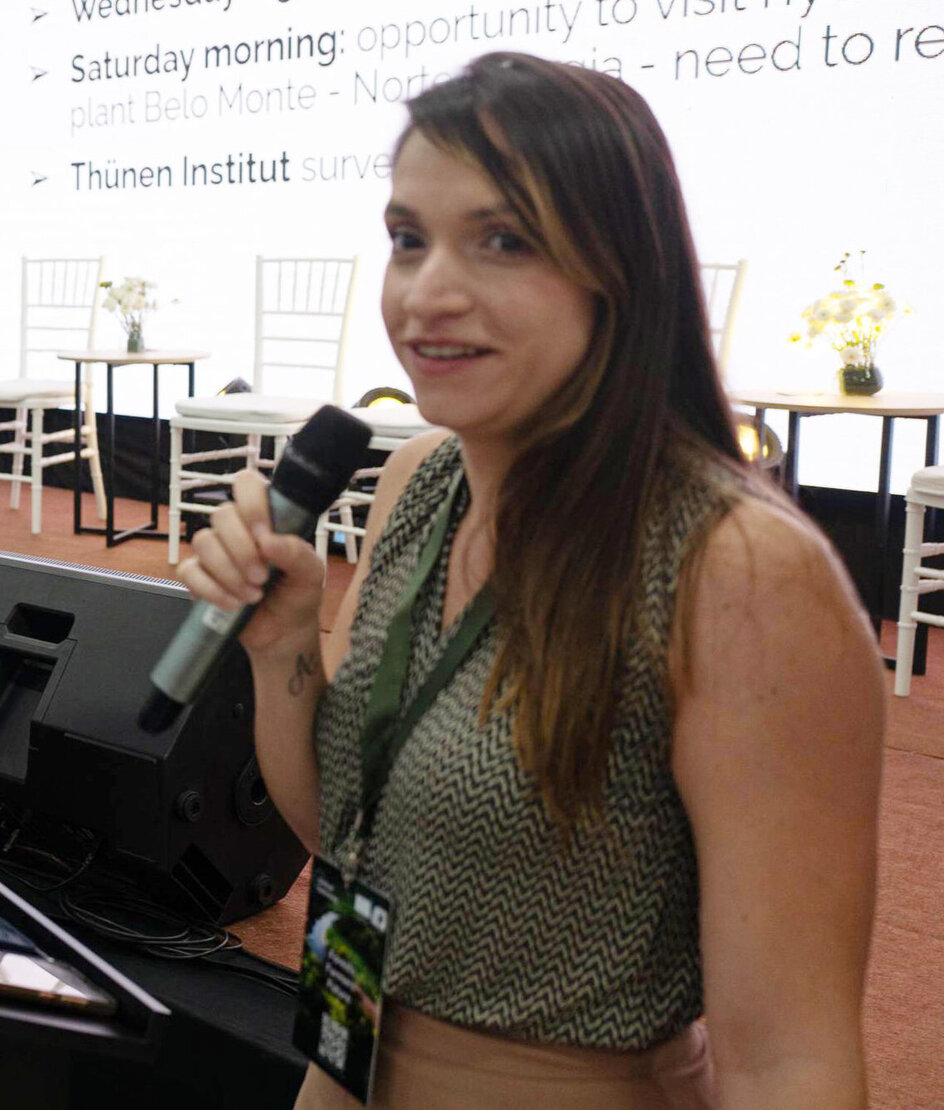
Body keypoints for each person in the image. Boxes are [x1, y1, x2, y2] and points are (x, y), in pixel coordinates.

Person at [180, 54, 879, 1109]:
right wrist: (282, 646)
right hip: (344, 1071)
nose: (427, 292)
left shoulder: (734, 571)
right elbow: (351, 836)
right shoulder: (421, 483)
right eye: (407, 239)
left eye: (500, 240)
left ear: (617, 268)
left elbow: (789, 1062)